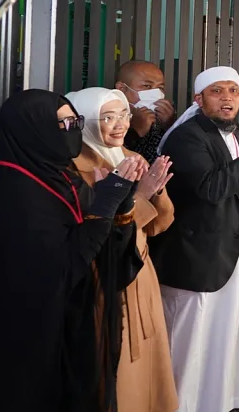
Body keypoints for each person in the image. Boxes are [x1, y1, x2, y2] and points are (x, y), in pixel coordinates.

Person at [0, 89, 142, 411]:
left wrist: (121, 209)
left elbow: (97, 250)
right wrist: (105, 206)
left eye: (75, 122)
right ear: (33, 128)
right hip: (30, 334)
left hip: (69, 324)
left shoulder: (58, 174)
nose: (73, 131)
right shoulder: (15, 190)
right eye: (64, 124)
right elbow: (56, 268)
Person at [149, 67, 239, 412]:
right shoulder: (187, 137)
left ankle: (214, 403)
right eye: (217, 91)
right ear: (198, 99)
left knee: (220, 337)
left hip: (228, 254)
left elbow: (235, 179)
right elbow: (210, 188)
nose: (228, 98)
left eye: (234, 91)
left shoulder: (235, 134)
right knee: (190, 342)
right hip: (197, 257)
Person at [67, 87, 179, 412]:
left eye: (123, 115)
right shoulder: (76, 169)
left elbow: (158, 226)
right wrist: (140, 196)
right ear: (84, 122)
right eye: (107, 117)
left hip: (142, 276)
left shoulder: (133, 158)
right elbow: (99, 235)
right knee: (117, 377)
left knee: (148, 370)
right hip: (109, 280)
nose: (120, 125)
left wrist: (156, 193)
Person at [116, 60, 176, 164]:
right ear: (122, 88)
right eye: (147, 86)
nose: (156, 93)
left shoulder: (161, 118)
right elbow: (112, 162)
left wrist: (170, 127)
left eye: (160, 87)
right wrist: (135, 132)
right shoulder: (105, 117)